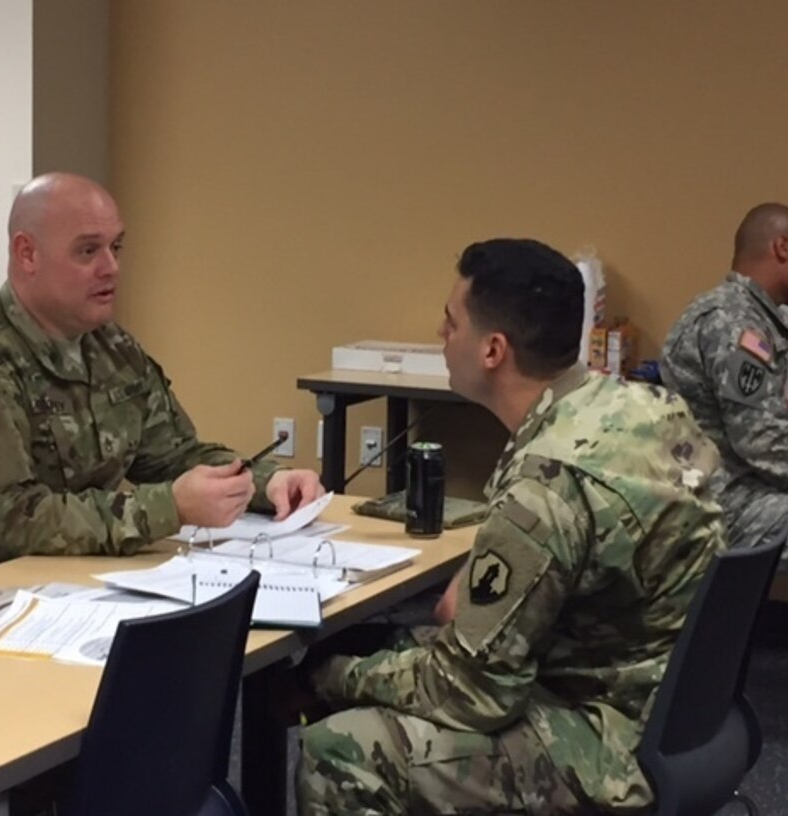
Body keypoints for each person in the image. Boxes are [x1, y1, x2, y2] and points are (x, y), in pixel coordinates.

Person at [297, 238, 726, 814]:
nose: (440, 336)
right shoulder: (644, 408)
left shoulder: (546, 480)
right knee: (392, 649)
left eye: (451, 324)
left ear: (493, 349)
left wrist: (332, 676)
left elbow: (476, 693)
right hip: (680, 705)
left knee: (338, 747)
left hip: (610, 736)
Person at [0, 172, 323, 599]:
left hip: (65, 586)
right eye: (88, 251)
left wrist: (267, 483)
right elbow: (8, 522)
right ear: (27, 254)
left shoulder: (108, 347)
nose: (111, 267)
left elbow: (173, 457)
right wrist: (170, 508)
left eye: (116, 248)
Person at [661, 202, 788, 759]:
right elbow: (762, 446)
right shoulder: (737, 323)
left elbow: (745, 423)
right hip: (718, 508)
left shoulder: (741, 316)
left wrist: (782, 409)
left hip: (739, 487)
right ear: (782, 248)